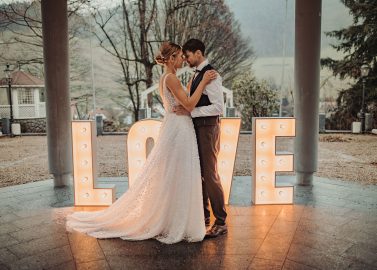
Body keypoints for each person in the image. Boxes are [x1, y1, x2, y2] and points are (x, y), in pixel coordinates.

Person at [65, 41, 217, 244]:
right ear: (172, 58)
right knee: (180, 173)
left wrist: (192, 85)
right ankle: (177, 220)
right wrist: (204, 82)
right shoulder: (171, 78)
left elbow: (184, 98)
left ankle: (174, 218)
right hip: (180, 129)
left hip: (177, 126)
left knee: (176, 174)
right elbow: (189, 104)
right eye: (180, 56)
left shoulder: (168, 78)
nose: (182, 59)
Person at [173, 38, 227, 238]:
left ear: (198, 53)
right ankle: (203, 216)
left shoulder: (211, 75)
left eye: (187, 55)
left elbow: (218, 107)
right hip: (198, 128)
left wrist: (190, 112)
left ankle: (220, 221)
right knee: (200, 173)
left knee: (210, 175)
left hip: (207, 129)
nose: (185, 60)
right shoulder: (197, 74)